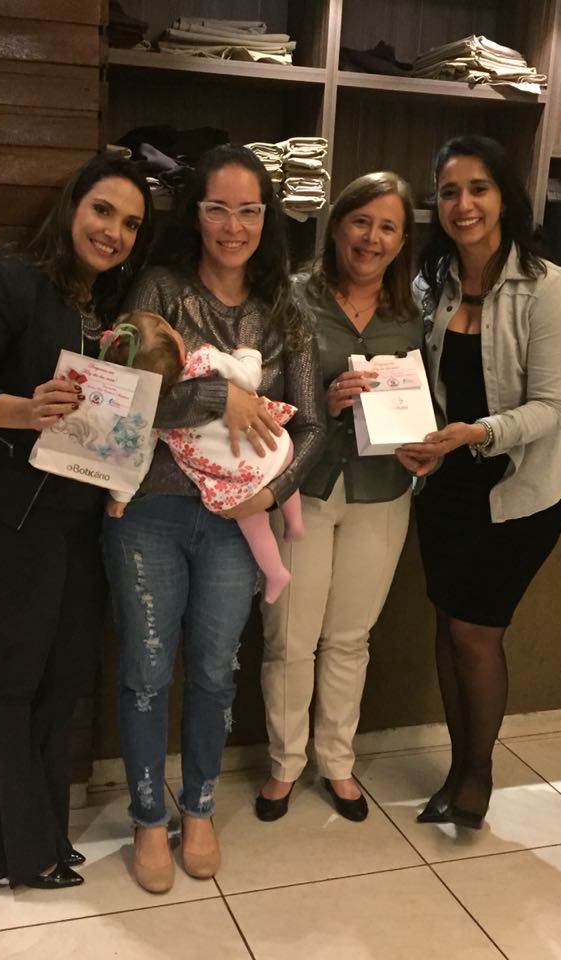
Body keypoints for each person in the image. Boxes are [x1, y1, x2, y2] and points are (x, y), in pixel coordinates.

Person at [0, 153, 153, 890]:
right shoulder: (7, 282)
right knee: (18, 678)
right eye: (102, 210)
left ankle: (46, 829)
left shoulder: (108, 314)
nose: (113, 232)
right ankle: (17, 854)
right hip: (9, 515)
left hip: (80, 519)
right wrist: (23, 411)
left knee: (64, 678)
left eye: (130, 223)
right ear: (71, 207)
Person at [103, 144, 323, 893]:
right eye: (218, 208)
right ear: (194, 214)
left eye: (249, 210)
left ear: (268, 217)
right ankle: (146, 816)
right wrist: (216, 396)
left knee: (212, 672)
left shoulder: (284, 309)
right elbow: (125, 396)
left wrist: (269, 493)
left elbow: (313, 427)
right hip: (149, 511)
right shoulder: (159, 287)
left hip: (237, 522)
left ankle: (197, 808)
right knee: (144, 672)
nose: (234, 226)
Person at [396, 136, 561, 830]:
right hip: (447, 487)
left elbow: (554, 405)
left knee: (476, 632)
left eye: (478, 188)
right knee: (449, 626)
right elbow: (420, 381)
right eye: (449, 191)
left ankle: (478, 775)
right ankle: (457, 767)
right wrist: (419, 435)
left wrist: (476, 433)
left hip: (522, 491)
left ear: (505, 196)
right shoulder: (431, 284)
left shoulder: (547, 286)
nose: (463, 204)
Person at [254, 171, 420, 823]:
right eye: (361, 221)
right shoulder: (293, 298)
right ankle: (284, 764)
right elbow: (264, 395)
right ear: (337, 224)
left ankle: (337, 763)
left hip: (383, 491)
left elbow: (427, 401)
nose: (371, 238)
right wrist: (317, 406)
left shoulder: (411, 314)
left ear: (402, 241)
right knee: (290, 637)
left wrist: (425, 441)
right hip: (306, 490)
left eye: (388, 227)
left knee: (350, 637)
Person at [102, 312, 306, 603]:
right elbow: (250, 378)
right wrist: (247, 353)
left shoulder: (152, 409)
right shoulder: (205, 360)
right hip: (269, 445)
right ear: (178, 346)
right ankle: (294, 522)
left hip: (234, 477)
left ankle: (275, 572)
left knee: (252, 521)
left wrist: (121, 494)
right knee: (281, 461)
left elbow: (138, 453)